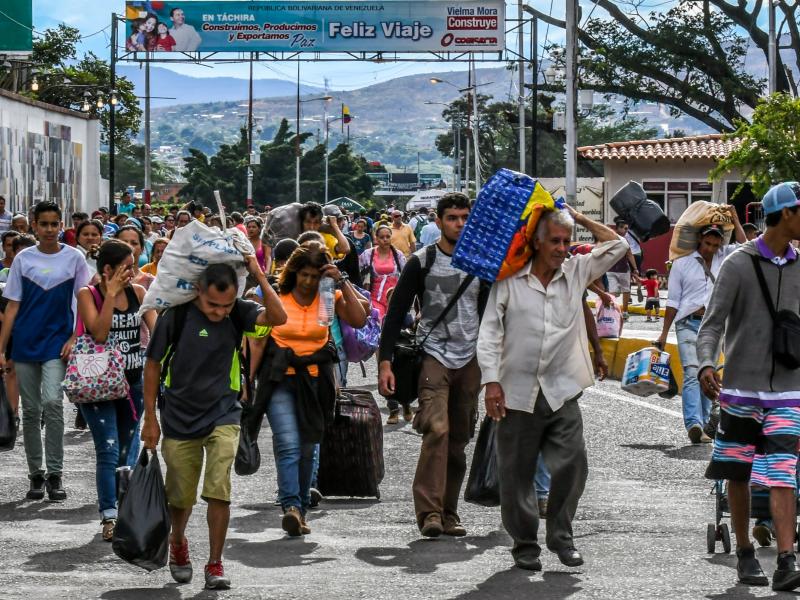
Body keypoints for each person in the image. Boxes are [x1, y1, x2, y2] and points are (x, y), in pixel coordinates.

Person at [477, 206, 627, 571]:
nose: (562, 248)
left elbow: (619, 245)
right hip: (516, 392)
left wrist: (579, 217)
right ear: (537, 242)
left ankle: (561, 536)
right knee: (516, 474)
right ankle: (525, 544)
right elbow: (490, 332)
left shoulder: (576, 273)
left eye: (567, 240)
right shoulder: (509, 280)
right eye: (555, 240)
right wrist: (491, 381)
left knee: (573, 465)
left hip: (562, 389)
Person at [141, 259, 286, 590]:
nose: (220, 312)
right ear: (197, 291)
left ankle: (215, 563)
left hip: (224, 412)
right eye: (213, 304)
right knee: (180, 497)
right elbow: (152, 366)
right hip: (178, 416)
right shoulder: (175, 317)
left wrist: (259, 275)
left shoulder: (239, 312)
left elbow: (278, 317)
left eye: (226, 304)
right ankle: (178, 543)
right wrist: (150, 419)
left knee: (219, 488)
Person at [698, 181, 800, 591]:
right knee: (737, 472)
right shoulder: (737, 265)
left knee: (783, 474)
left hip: (789, 392)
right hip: (740, 391)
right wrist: (706, 363)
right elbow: (712, 324)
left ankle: (787, 561)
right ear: (788, 214)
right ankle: (744, 551)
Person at [379, 192, 491, 538]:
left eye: (464, 218)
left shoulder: (480, 263)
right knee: (437, 430)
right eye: (452, 218)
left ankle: (449, 512)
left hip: (470, 358)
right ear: (439, 222)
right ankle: (429, 512)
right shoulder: (422, 261)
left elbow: (490, 315)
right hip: (434, 355)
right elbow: (396, 313)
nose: (459, 223)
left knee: (458, 438)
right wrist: (384, 362)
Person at [253, 245, 366, 536]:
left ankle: (301, 507)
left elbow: (358, 319)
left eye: (315, 276)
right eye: (303, 274)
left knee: (308, 444)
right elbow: (252, 337)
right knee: (288, 442)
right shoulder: (277, 294)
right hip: (279, 379)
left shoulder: (329, 296)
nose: (308, 281)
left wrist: (341, 280)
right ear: (294, 271)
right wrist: (247, 384)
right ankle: (290, 505)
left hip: (316, 380)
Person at [0, 201, 91, 501]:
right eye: (44, 224)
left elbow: (83, 302)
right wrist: (2, 349)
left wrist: (74, 337)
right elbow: (12, 306)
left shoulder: (75, 258)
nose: (50, 230)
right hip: (25, 343)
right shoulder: (23, 260)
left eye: (55, 224)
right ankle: (36, 476)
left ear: (60, 224)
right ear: (35, 226)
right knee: (31, 410)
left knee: (52, 402)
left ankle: (56, 474)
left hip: (57, 343)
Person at [76, 240, 156, 541]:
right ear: (108, 269)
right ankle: (109, 516)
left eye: (134, 264)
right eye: (127, 266)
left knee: (128, 449)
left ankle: (127, 511)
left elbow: (156, 329)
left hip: (133, 383)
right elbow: (98, 332)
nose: (133, 271)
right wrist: (108, 296)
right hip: (99, 385)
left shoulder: (139, 293)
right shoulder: (88, 294)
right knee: (107, 450)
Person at [656, 206, 745, 444]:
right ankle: (693, 423)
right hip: (687, 324)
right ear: (699, 240)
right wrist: (664, 334)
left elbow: (747, 247)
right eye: (707, 244)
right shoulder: (681, 264)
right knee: (692, 372)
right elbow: (673, 302)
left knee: (710, 375)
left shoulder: (725, 258)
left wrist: (735, 219)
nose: (711, 249)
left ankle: (705, 424)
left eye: (715, 245)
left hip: (714, 327)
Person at [359, 225, 406, 324]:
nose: (385, 239)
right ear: (376, 239)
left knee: (391, 325)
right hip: (374, 297)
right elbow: (359, 273)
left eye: (388, 237)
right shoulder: (367, 254)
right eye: (382, 237)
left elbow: (406, 276)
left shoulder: (398, 255)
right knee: (377, 322)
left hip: (394, 298)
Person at [605, 218, 639, 320]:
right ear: (618, 228)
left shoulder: (625, 241)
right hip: (611, 270)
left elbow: (629, 255)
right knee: (613, 291)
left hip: (624, 270)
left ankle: (625, 311)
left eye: (627, 229)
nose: (626, 231)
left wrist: (635, 269)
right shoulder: (609, 239)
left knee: (626, 290)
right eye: (624, 228)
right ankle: (613, 310)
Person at [114, 226, 155, 290]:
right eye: (123, 242)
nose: (129, 246)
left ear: (142, 249)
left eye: (134, 243)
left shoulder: (151, 282)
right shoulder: (102, 278)